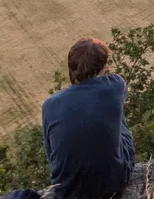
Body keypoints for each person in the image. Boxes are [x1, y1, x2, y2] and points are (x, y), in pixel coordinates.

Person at [41, 38, 135, 199]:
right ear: (103, 66)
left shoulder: (49, 105)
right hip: (114, 183)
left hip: (67, 191)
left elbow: (50, 151)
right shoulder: (116, 86)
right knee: (115, 113)